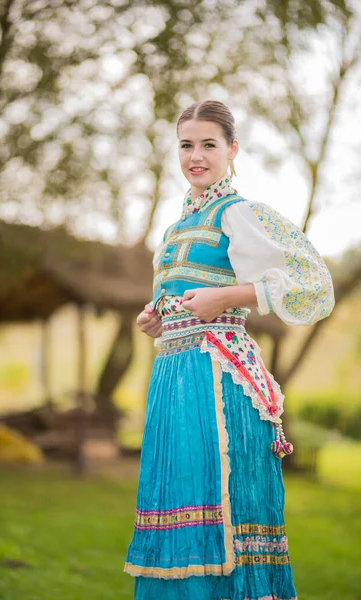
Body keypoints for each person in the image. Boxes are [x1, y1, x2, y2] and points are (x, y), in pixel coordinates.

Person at [124, 100, 334, 600]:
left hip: (219, 381)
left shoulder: (238, 213)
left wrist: (227, 297)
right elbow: (179, 305)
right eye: (187, 145)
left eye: (209, 145)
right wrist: (154, 321)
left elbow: (313, 285)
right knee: (176, 500)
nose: (196, 156)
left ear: (232, 150)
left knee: (221, 506)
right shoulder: (173, 233)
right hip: (173, 379)